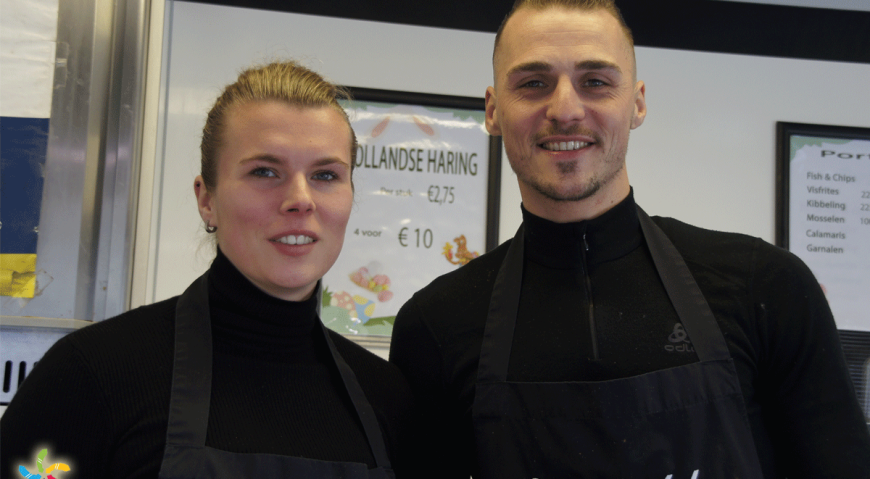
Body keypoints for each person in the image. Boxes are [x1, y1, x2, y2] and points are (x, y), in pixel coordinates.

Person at [389, 1, 870, 477]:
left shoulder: (765, 286)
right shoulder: (434, 327)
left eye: (595, 82)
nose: (566, 110)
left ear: (637, 103)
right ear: (493, 111)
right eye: (533, 83)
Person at [1, 61, 414, 478]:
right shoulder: (91, 374)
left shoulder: (386, 396)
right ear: (206, 200)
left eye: (325, 174)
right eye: (265, 171)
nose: (300, 199)